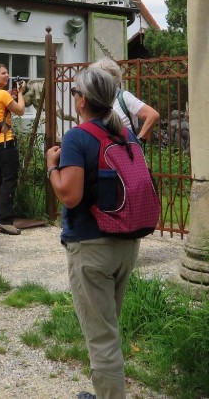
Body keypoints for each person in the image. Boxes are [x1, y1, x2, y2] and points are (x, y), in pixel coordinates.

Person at [46, 67, 141, 399]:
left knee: (101, 337)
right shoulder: (126, 134)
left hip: (91, 247)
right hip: (126, 244)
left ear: (82, 100)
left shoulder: (78, 136)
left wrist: (51, 166)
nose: (73, 98)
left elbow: (69, 194)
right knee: (109, 325)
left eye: (74, 93)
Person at [0, 63, 26, 235]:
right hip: (4, 142)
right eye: (4, 73)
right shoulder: (2, 94)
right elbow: (20, 111)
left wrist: (11, 94)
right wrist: (21, 94)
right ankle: (5, 220)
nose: (7, 76)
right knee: (9, 179)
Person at [91, 58, 160, 145]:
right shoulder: (97, 100)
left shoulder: (123, 97)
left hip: (124, 152)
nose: (95, 82)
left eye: (98, 79)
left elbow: (153, 115)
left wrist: (139, 141)